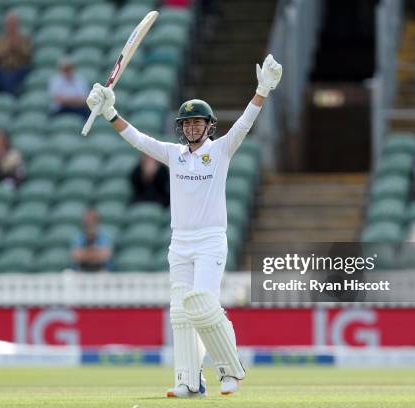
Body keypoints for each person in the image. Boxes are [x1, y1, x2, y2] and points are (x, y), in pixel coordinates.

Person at [86, 54, 282, 397]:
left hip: (210, 241)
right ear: (182, 127)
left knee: (203, 305)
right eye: (187, 123)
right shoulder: (174, 155)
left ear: (209, 126)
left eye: (198, 123)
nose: (192, 128)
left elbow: (245, 124)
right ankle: (189, 382)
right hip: (180, 243)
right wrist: (110, 113)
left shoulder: (221, 150)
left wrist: (262, 90)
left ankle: (230, 370)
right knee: (180, 312)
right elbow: (139, 140)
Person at [0, 12, 31, 95]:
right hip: (0, 68)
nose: (11, 25)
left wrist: (17, 48)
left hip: (17, 68)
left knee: (10, 78)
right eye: (9, 23)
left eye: (13, 23)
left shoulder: (24, 39)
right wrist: (6, 50)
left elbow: (28, 56)